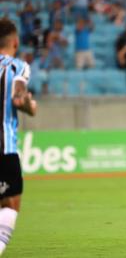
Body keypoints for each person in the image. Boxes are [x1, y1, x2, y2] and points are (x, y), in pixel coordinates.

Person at [0, 18, 37, 256]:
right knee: (10, 207)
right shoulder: (18, 67)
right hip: (5, 148)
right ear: (15, 41)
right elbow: (18, 100)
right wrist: (31, 105)